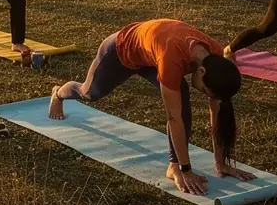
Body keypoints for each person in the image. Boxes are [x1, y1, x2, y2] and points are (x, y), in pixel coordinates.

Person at [49, 19, 253, 196]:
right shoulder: (172, 57)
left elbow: (217, 110)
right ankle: (58, 93)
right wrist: (186, 169)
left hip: (153, 53)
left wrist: (221, 162)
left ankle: (172, 165)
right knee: (90, 93)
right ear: (200, 71)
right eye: (206, 91)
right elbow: (174, 119)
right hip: (121, 51)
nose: (205, 95)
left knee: (180, 97)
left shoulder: (215, 58)